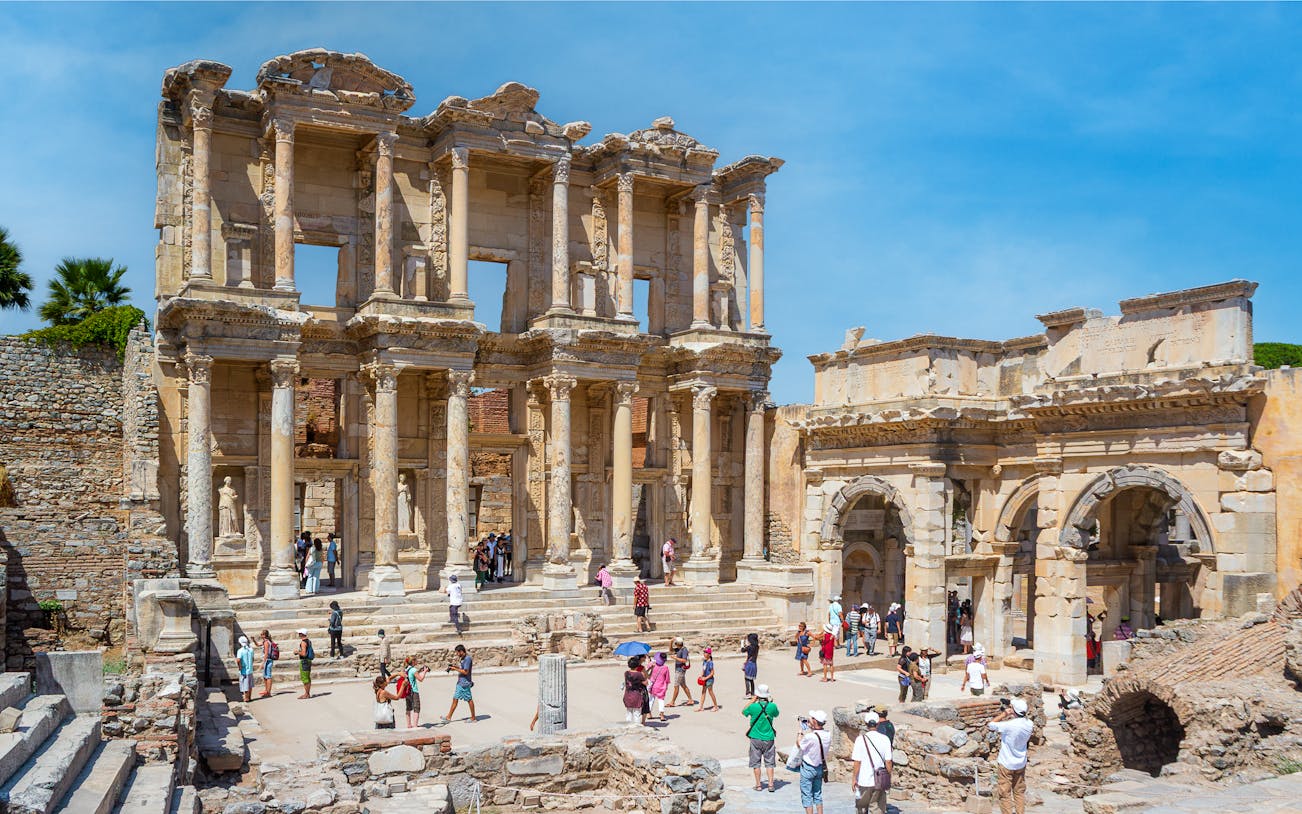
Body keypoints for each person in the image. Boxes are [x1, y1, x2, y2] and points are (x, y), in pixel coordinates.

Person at [988, 698, 1035, 814]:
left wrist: (1004, 714)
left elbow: (991, 725)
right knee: (1019, 792)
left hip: (1006, 763)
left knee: (1005, 794)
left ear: (1013, 710)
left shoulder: (1009, 725)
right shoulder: (1030, 724)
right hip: (1020, 763)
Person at [851, 711, 893, 814]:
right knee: (877, 809)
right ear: (878, 723)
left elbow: (857, 762)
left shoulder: (860, 740)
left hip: (864, 780)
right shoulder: (885, 739)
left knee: (861, 808)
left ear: (866, 724)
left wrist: (854, 778)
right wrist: (889, 776)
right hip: (879, 780)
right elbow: (888, 762)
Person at [742, 685, 779, 792]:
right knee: (770, 762)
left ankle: (758, 785)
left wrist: (752, 701)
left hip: (755, 737)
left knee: (756, 762)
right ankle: (771, 785)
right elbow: (776, 714)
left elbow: (743, 711)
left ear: (757, 695)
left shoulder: (753, 707)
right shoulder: (772, 706)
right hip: (769, 737)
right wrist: (771, 703)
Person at [796, 709, 832, 813]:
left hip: (808, 767)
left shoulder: (810, 737)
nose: (810, 719)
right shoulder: (827, 735)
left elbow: (800, 745)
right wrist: (811, 727)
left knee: (807, 796)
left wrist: (800, 731)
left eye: (812, 718)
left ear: (815, 721)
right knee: (817, 794)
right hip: (820, 767)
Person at [443, 644, 476, 723]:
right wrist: (455, 667)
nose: (457, 654)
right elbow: (462, 669)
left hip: (465, 683)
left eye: (457, 653)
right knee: (455, 699)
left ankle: (473, 718)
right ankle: (448, 717)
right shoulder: (463, 659)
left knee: (469, 699)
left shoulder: (467, 659)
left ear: (461, 651)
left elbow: (465, 671)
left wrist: (455, 669)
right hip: (460, 683)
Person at [397, 655, 429, 728]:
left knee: (408, 708)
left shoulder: (406, 669)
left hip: (407, 691)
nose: (417, 661)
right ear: (413, 661)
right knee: (416, 708)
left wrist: (420, 671)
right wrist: (425, 672)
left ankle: (409, 724)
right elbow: (420, 679)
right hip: (413, 691)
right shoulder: (413, 670)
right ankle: (415, 725)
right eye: (416, 660)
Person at [668, 637, 694, 708]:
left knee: (676, 686)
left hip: (680, 670)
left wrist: (675, 658)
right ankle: (690, 700)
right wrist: (671, 642)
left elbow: (684, 660)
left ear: (678, 643)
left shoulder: (684, 650)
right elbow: (670, 650)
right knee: (683, 685)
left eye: (675, 643)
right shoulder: (679, 649)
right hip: (678, 669)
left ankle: (672, 702)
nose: (675, 644)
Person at [648, 652, 671, 721]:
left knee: (651, 699)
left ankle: (649, 713)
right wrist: (666, 686)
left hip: (653, 685)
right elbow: (667, 679)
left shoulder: (653, 665)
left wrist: (651, 662)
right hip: (661, 686)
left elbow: (647, 667)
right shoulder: (666, 668)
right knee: (661, 700)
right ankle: (661, 715)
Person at [696, 647, 718, 712]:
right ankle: (701, 707)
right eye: (704, 652)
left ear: (709, 654)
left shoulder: (710, 662)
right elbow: (703, 669)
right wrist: (701, 676)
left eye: (706, 652)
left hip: (709, 680)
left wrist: (705, 678)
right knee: (703, 692)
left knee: (710, 692)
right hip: (704, 679)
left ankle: (716, 706)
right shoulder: (704, 661)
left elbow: (712, 673)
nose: (704, 654)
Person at [296, 628, 314, 699]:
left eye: (299, 633)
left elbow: (303, 654)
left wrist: (297, 652)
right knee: (307, 678)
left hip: (304, 661)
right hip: (308, 661)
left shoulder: (303, 642)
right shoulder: (309, 641)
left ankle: (306, 694)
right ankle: (307, 693)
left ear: (302, 634)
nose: (298, 634)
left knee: (305, 678)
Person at [236, 635, 255, 702]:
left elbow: (238, 660)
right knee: (250, 684)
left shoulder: (240, 651)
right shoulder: (251, 649)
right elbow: (252, 659)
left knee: (245, 685)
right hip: (250, 670)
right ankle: (249, 697)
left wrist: (240, 667)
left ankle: (246, 698)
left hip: (244, 670)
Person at [258, 630, 277, 698]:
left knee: (268, 676)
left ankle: (268, 692)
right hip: (267, 660)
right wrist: (253, 640)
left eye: (261, 634)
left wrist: (263, 663)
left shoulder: (266, 642)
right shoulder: (265, 641)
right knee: (265, 676)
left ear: (264, 635)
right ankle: (266, 690)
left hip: (268, 660)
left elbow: (266, 653)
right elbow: (257, 645)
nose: (260, 635)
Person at [741, 632, 760, 697]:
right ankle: (752, 692)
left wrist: (742, 644)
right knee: (751, 679)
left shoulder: (749, 647)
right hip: (754, 664)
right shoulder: (757, 647)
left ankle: (748, 693)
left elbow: (742, 650)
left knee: (746, 679)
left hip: (749, 664)